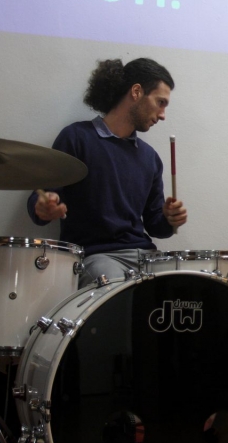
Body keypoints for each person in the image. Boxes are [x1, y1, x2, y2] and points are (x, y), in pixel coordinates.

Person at [27, 57, 187, 286]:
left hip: (145, 255)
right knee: (115, 287)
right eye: (160, 102)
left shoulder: (150, 157)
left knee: (186, 286)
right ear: (136, 91)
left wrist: (170, 219)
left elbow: (155, 226)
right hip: (96, 256)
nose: (163, 115)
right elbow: (41, 196)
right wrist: (43, 207)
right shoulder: (76, 138)